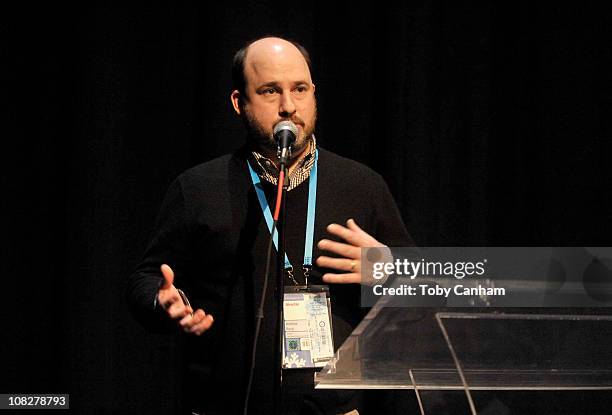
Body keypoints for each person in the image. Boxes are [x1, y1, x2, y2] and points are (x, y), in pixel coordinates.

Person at [127, 36, 413, 415]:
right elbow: (145, 279)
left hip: (334, 409)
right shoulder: (198, 188)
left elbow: (419, 287)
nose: (288, 107)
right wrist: (161, 302)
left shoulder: (362, 185)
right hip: (225, 404)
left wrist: (389, 270)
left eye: (300, 89)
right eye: (269, 91)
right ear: (238, 102)